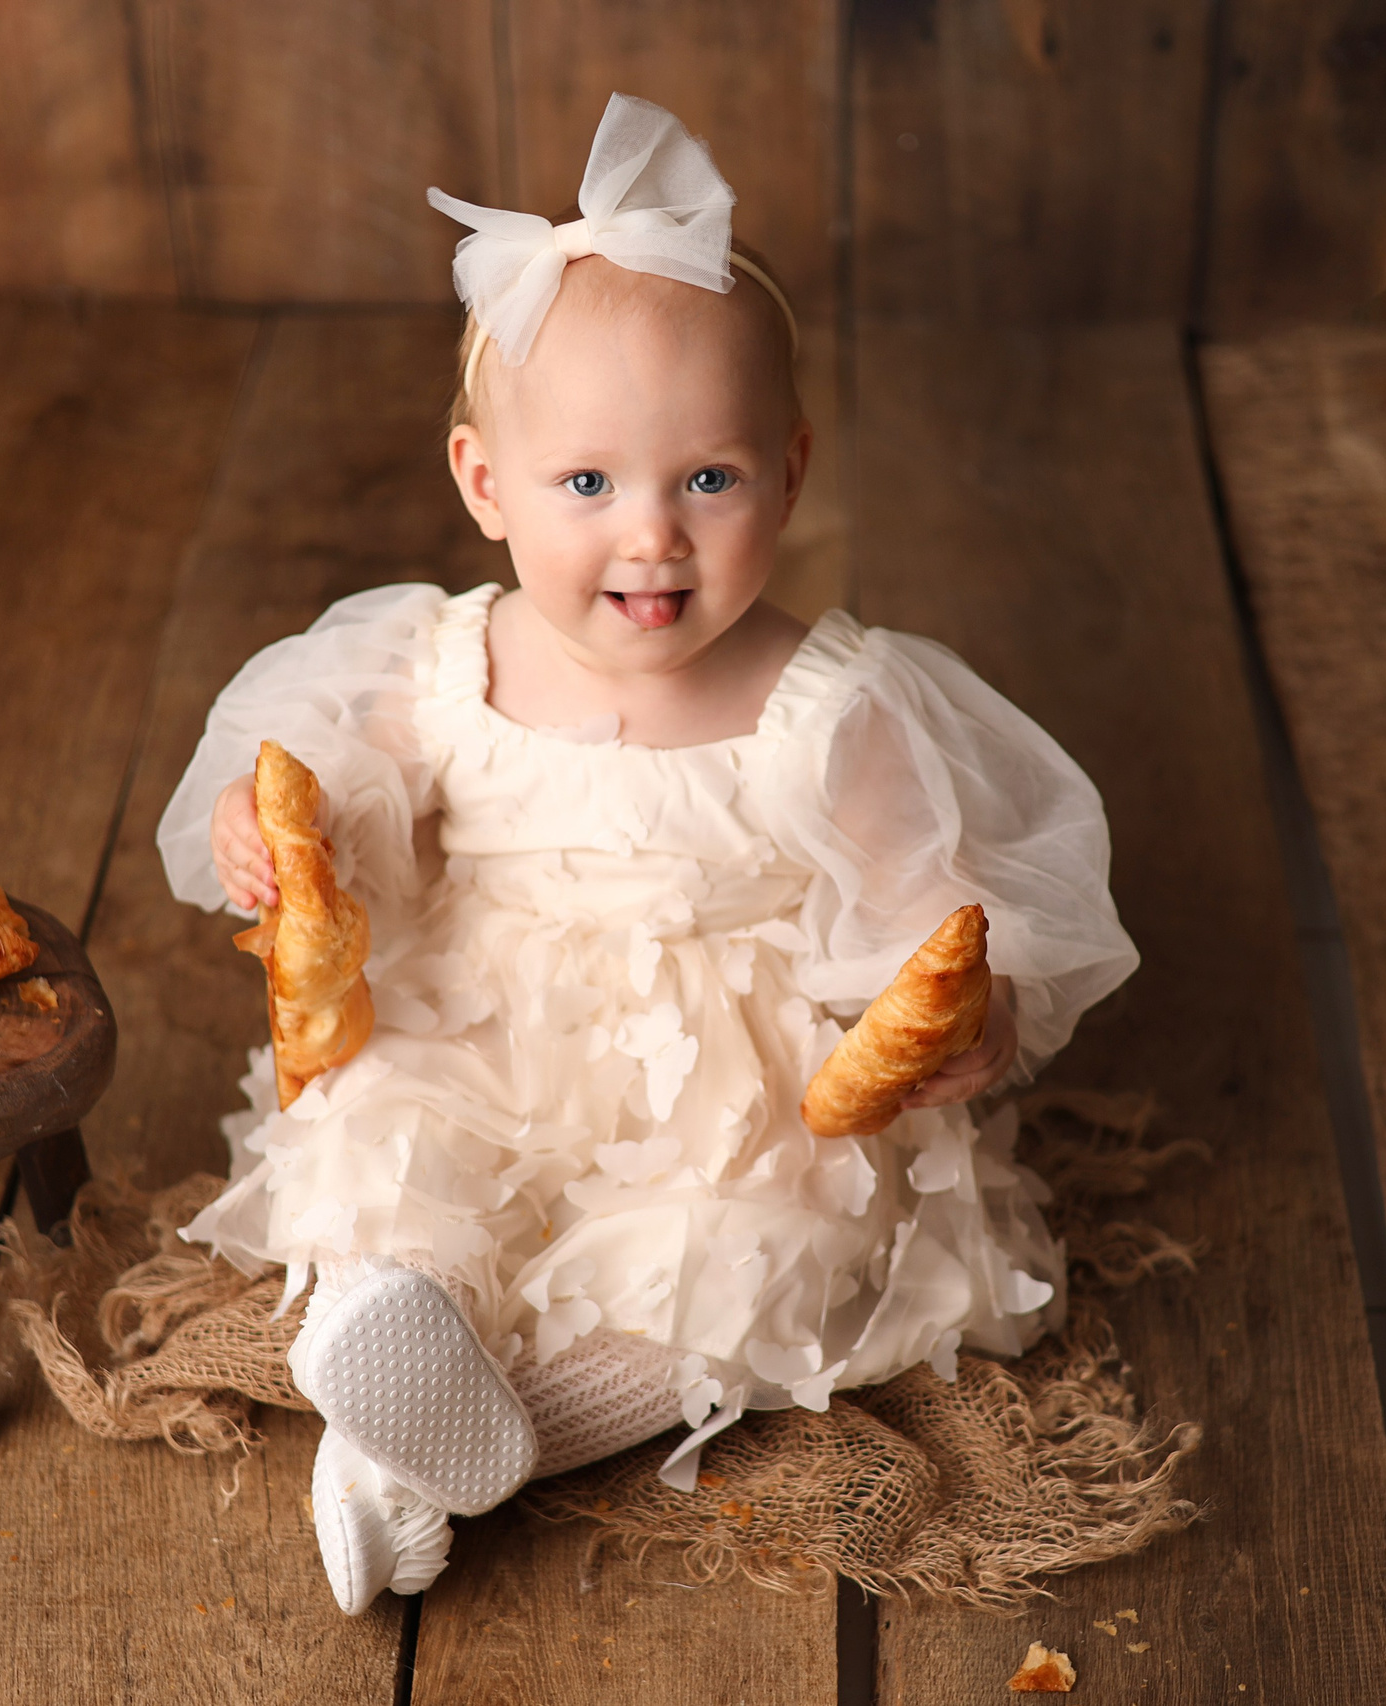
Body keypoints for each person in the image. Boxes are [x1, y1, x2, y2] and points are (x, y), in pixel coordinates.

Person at [155, 94, 1137, 1614]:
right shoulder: (446, 665)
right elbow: (341, 796)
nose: (653, 539)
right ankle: (397, 1324)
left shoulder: (829, 707)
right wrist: (276, 838)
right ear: (488, 485)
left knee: (736, 1265)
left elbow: (928, 914)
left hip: (731, 1094)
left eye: (710, 479)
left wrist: (969, 1017)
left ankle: (450, 1448)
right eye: (591, 483)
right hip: (485, 1027)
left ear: (792, 473)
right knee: (378, 1142)